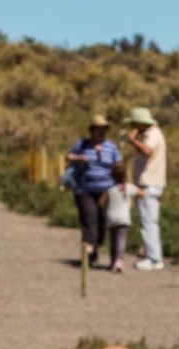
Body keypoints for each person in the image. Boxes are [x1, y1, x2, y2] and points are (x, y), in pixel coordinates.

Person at [66, 115, 122, 268]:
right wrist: (79, 158)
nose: (101, 132)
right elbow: (68, 156)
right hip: (85, 189)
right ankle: (89, 253)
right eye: (98, 129)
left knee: (103, 221)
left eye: (103, 129)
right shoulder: (83, 144)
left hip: (106, 190)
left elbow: (118, 165)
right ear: (92, 130)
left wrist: (120, 184)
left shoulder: (111, 147)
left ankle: (95, 248)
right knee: (89, 220)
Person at [124, 107, 167, 271]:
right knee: (149, 222)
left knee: (148, 222)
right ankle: (152, 254)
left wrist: (132, 140)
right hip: (149, 184)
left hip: (149, 184)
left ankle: (153, 258)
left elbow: (147, 150)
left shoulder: (152, 134)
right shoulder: (152, 134)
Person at [99, 163, 145, 274]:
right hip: (124, 219)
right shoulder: (128, 187)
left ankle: (113, 261)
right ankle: (119, 260)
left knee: (113, 241)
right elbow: (142, 193)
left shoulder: (110, 189)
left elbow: (101, 202)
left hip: (111, 219)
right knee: (121, 240)